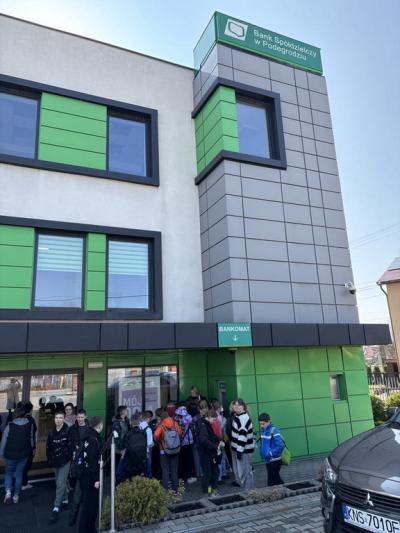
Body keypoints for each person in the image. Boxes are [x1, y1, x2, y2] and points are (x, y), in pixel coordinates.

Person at [0, 407, 34, 504]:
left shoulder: (10, 426)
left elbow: (3, 441)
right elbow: (31, 439)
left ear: (15, 415)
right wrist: (31, 449)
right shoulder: (30, 424)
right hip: (24, 454)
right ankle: (16, 496)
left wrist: (1, 454)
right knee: (19, 474)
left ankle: (8, 493)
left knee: (9, 473)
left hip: (10, 455)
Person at [78, 416, 103, 533]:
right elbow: (92, 462)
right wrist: (96, 479)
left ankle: (88, 528)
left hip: (85, 476)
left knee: (88, 505)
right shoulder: (93, 439)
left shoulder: (88, 436)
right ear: (99, 425)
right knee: (91, 506)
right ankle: (87, 529)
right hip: (90, 478)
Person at [46, 410, 72, 523]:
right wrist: (49, 459)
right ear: (54, 419)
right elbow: (48, 447)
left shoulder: (68, 431)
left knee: (60, 483)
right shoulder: (51, 433)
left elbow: (71, 447)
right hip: (54, 462)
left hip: (65, 462)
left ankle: (56, 508)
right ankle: (65, 500)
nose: (58, 420)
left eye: (60, 418)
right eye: (56, 418)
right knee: (59, 482)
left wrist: (68, 458)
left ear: (64, 419)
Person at [68, 408, 89, 526]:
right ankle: (73, 517)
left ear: (85, 417)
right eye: (78, 417)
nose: (80, 419)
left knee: (83, 491)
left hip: (87, 462)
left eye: (82, 417)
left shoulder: (89, 429)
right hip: (77, 462)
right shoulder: (72, 429)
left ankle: (80, 518)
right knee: (77, 490)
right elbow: (69, 443)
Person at [153, 411, 182, 492]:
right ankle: (175, 489)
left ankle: (165, 490)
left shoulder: (161, 425)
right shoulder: (175, 423)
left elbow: (155, 435)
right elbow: (180, 433)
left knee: (165, 470)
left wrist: (160, 440)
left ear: (162, 418)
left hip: (163, 450)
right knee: (174, 470)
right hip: (175, 449)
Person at [230, 399, 255, 490]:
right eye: (234, 405)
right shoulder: (238, 416)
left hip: (244, 451)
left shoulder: (243, 418)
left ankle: (248, 492)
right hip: (239, 449)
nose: (235, 406)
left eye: (238, 405)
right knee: (242, 472)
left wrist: (239, 452)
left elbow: (242, 436)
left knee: (246, 472)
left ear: (243, 407)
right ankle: (246, 490)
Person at [197, 409, 223, 496]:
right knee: (209, 473)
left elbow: (212, 435)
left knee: (212, 472)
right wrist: (215, 446)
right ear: (208, 417)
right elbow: (204, 440)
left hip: (207, 453)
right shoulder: (203, 426)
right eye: (214, 420)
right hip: (206, 453)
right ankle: (208, 491)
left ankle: (211, 490)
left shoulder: (205, 424)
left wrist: (219, 440)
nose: (214, 422)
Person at [258, 413, 284, 486]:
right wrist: (262, 452)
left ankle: (282, 489)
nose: (261, 426)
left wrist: (270, 453)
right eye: (260, 424)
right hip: (268, 460)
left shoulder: (274, 431)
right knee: (276, 479)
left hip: (274, 460)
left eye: (263, 424)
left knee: (271, 481)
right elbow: (263, 444)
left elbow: (280, 445)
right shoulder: (263, 430)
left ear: (268, 421)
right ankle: (284, 488)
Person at [174, 404, 196, 483]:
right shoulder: (188, 418)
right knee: (188, 460)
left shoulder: (175, 418)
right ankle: (189, 477)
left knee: (180, 460)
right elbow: (192, 426)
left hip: (179, 441)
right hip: (188, 442)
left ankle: (180, 477)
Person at [121, 413, 147, 481]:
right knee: (140, 480)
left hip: (130, 461)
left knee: (130, 480)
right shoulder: (143, 433)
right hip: (141, 460)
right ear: (139, 422)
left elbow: (124, 446)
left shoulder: (128, 434)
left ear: (130, 422)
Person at [139, 411, 154, 478]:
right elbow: (150, 443)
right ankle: (147, 481)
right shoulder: (148, 429)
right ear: (148, 419)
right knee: (147, 468)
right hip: (147, 451)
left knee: (140, 468)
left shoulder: (138, 426)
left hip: (138, 450)